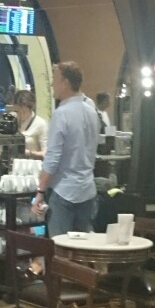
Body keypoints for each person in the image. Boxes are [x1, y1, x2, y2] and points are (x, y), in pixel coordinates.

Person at [31, 61, 100, 234]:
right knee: (83, 246)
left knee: (60, 246)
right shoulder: (92, 112)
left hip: (64, 192)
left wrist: (40, 192)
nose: (52, 85)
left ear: (66, 83)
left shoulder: (61, 114)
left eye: (55, 80)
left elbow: (52, 158)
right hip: (88, 190)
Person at [12, 89, 48, 156]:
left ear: (31, 108)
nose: (20, 115)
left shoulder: (40, 124)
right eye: (17, 111)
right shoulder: (13, 120)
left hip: (31, 161)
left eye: (24, 111)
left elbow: (46, 153)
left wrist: (29, 153)